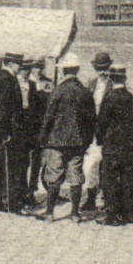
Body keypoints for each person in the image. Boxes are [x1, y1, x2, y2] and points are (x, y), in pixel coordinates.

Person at [36, 53, 96, 222]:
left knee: (54, 176)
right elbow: (91, 119)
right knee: (75, 176)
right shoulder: (84, 92)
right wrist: (87, 140)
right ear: (76, 70)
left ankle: (49, 213)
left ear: (62, 71)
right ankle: (75, 214)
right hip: (77, 142)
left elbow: (48, 117)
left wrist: (42, 138)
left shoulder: (58, 91)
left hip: (56, 141)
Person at [96, 65, 133, 226]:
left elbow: (102, 122)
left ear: (111, 79)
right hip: (128, 144)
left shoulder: (109, 98)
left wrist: (100, 139)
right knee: (128, 178)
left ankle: (112, 215)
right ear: (124, 79)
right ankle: (130, 214)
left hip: (112, 145)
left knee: (110, 180)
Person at [0, 54, 30, 213]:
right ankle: (10, 204)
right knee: (8, 167)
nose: (20, 68)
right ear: (11, 64)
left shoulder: (2, 78)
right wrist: (5, 132)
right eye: (18, 64)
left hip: (1, 130)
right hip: (4, 132)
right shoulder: (5, 80)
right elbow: (1, 109)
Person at [81, 50, 114, 216]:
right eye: (100, 68)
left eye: (105, 68)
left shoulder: (114, 84)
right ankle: (90, 198)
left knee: (107, 163)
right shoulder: (91, 84)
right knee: (92, 164)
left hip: (109, 130)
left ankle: (108, 197)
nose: (102, 72)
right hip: (94, 130)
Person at [22, 68, 52, 202]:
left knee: (36, 162)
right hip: (26, 128)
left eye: (39, 65)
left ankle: (31, 191)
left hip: (39, 128)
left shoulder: (47, 82)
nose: (36, 69)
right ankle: (23, 191)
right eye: (33, 66)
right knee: (24, 162)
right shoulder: (24, 82)